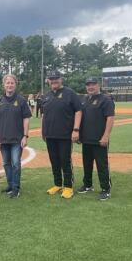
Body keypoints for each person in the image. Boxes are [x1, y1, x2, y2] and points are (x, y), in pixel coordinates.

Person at [41, 70, 82, 199]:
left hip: (65, 135)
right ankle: (58, 184)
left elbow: (78, 111)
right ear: (48, 81)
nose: (54, 81)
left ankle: (68, 186)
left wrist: (76, 130)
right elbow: (44, 115)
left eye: (56, 79)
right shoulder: (46, 96)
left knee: (65, 160)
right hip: (50, 135)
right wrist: (43, 131)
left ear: (61, 79)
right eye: (51, 79)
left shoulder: (70, 93)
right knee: (54, 161)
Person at [0, 74, 31, 198]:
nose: (9, 85)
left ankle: (16, 188)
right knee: (6, 163)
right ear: (4, 85)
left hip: (17, 139)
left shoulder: (21, 100)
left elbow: (26, 119)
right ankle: (10, 185)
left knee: (16, 164)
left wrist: (25, 136)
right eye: (7, 83)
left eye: (12, 83)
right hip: (3, 139)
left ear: (15, 84)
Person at [78, 78, 115, 201]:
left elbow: (110, 118)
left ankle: (106, 189)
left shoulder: (105, 100)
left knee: (102, 165)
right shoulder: (84, 100)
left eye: (93, 84)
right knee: (87, 164)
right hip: (86, 139)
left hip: (100, 139)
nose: (90, 87)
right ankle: (88, 185)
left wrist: (106, 136)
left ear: (98, 85)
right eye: (88, 85)